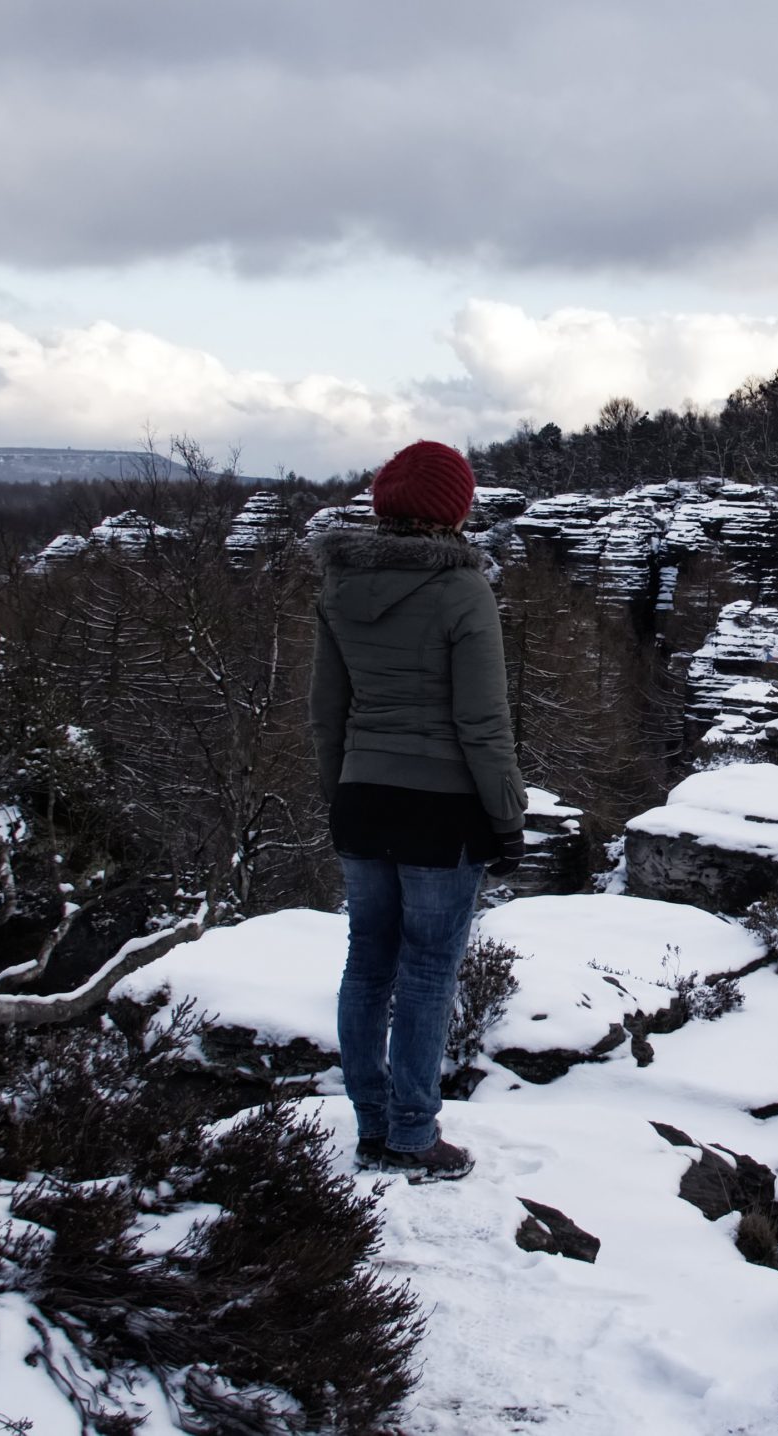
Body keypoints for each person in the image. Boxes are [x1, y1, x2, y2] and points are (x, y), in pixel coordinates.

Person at [309, 441, 527, 1182]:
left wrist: (340, 794)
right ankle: (412, 1135)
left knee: (367, 964)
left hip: (362, 799)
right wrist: (507, 817)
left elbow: (326, 713)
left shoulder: (340, 584)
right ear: (454, 509)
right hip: (442, 809)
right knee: (429, 971)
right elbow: (483, 724)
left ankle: (373, 1127)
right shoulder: (464, 591)